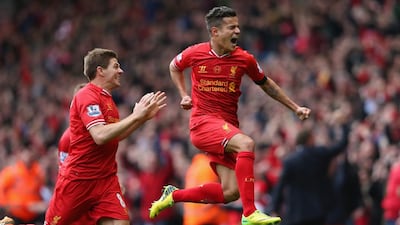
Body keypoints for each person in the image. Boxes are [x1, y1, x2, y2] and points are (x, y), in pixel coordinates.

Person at [149, 6, 310, 225]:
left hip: (226, 127)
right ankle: (250, 213)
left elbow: (267, 84)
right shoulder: (195, 52)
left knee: (231, 192)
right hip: (203, 124)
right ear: (215, 32)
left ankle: (173, 195)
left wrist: (295, 107)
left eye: (238, 26)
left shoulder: (244, 59)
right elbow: (174, 66)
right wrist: (184, 95)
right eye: (231, 27)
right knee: (246, 143)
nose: (237, 31)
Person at [44, 48, 167, 225]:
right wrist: (135, 116)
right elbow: (100, 136)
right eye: (116, 66)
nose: (121, 71)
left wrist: (142, 119)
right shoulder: (86, 95)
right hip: (80, 180)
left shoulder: (108, 100)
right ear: (100, 71)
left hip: (106, 179)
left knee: (121, 222)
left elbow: (114, 136)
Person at [269, 108, 351, 225]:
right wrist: (343, 125)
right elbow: (341, 145)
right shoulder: (319, 153)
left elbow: (281, 185)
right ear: (310, 139)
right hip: (318, 211)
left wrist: (274, 208)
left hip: (297, 214)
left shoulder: (290, 161)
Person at [0, 145, 47, 225]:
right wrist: (6, 205)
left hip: (32, 215)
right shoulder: (12, 171)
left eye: (31, 153)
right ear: (20, 154)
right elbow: (1, 188)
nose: (28, 156)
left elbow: (39, 191)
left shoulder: (38, 172)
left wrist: (41, 204)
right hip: (14, 214)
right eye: (26, 153)